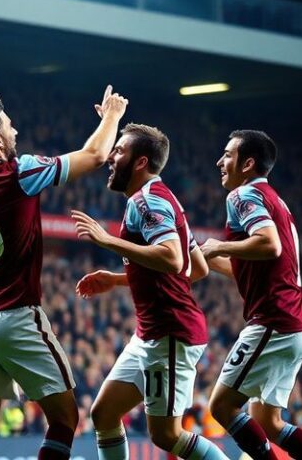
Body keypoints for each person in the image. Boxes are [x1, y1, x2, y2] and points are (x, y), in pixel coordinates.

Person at [0, 86, 128, 460]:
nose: (15, 131)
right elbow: (96, 154)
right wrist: (112, 117)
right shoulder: (19, 172)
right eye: (9, 126)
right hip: (14, 314)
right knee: (65, 418)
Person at [70, 124, 228, 460]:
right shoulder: (161, 198)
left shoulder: (147, 203)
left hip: (170, 334)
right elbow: (194, 268)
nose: (112, 156)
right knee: (104, 414)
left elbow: (172, 258)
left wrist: (108, 240)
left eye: (120, 150)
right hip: (149, 334)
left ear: (140, 162)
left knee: (167, 435)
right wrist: (116, 279)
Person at [200, 130, 302, 460]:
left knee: (222, 406)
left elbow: (270, 244)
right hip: (298, 324)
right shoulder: (275, 200)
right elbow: (256, 264)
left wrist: (219, 245)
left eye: (227, 154)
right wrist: (211, 258)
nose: (220, 161)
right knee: (268, 421)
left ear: (248, 163)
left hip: (275, 321)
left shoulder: (241, 196)